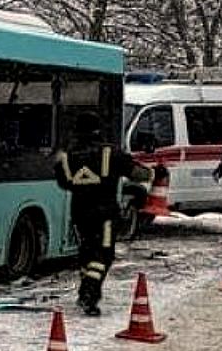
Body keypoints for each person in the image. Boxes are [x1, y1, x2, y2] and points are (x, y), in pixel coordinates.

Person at [54, 126, 154, 315]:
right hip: (104, 215)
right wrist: (154, 173)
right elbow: (136, 172)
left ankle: (85, 291)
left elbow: (63, 182)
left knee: (87, 252)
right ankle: (89, 294)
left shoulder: (68, 156)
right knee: (103, 255)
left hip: (80, 214)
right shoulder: (111, 152)